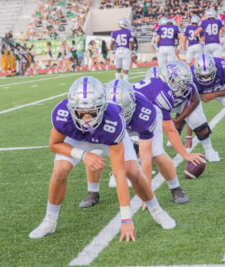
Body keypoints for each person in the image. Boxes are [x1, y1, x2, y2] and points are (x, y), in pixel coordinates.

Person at [29, 76, 176, 241]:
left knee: (132, 171)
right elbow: (54, 144)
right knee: (60, 169)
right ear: (71, 108)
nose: (86, 118)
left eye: (91, 111)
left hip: (106, 137)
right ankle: (49, 221)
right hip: (79, 139)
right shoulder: (62, 114)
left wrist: (126, 218)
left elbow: (119, 174)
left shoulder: (113, 120)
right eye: (80, 112)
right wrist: (84, 155)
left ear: (102, 106)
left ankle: (157, 211)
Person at [79, 79, 191, 208]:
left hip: (139, 121)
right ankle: (92, 192)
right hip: (112, 122)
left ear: (132, 104)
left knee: (157, 153)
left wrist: (147, 194)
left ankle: (175, 188)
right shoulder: (101, 111)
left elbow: (146, 156)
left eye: (122, 113)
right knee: (94, 152)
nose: (119, 117)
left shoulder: (145, 113)